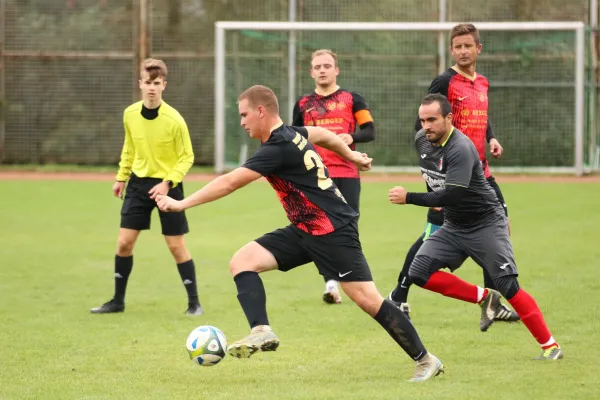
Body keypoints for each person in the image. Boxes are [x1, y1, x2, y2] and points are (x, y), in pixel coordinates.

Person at [157, 85, 444, 381]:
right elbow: (321, 134)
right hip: (306, 228)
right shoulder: (293, 133)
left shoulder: (276, 148)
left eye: (244, 115)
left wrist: (182, 203)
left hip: (333, 230)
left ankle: (426, 359)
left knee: (368, 300)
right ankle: (261, 331)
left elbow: (230, 182)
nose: (241, 122)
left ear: (261, 111)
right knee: (242, 261)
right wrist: (351, 155)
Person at [388, 94, 562, 360]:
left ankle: (551, 347)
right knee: (419, 271)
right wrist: (433, 197)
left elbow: (453, 194)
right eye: (422, 120)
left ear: (449, 118)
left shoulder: (461, 147)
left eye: (432, 119)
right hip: (455, 225)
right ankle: (484, 297)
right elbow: (434, 175)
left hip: (485, 223)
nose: (426, 126)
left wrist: (410, 197)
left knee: (507, 284)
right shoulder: (422, 140)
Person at [388, 23, 519, 325]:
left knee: (499, 229)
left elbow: (481, 116)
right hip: (452, 176)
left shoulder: (482, 83)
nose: (462, 51)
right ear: (451, 50)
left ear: (478, 49)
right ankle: (398, 295)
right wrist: (434, 182)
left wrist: (492, 138)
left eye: (467, 46)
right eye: (457, 46)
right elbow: (422, 127)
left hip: (481, 173)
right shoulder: (445, 81)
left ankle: (492, 302)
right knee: (431, 235)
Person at [91, 58, 203, 315]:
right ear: (140, 84)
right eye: (147, 82)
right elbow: (129, 147)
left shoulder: (174, 120)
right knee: (123, 244)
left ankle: (194, 303)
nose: (151, 87)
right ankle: (117, 302)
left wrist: (167, 183)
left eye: (156, 83)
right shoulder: (130, 114)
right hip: (138, 185)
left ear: (164, 85)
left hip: (168, 187)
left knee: (176, 246)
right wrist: (121, 177)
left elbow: (187, 157)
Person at [292, 49, 376, 305]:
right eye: (317, 67)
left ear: (336, 70)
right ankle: (330, 283)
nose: (322, 70)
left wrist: (353, 137)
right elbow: (294, 137)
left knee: (348, 227)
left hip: (347, 173)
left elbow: (370, 131)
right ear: (311, 72)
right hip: (315, 176)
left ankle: (356, 280)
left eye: (327, 66)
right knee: (319, 226)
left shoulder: (353, 99)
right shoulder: (303, 104)